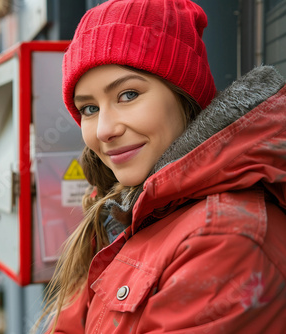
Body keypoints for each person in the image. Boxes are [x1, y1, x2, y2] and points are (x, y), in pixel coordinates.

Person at [37, 0, 286, 333]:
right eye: (89, 109)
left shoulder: (222, 237)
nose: (104, 130)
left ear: (184, 95)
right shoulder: (126, 211)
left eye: (128, 95)